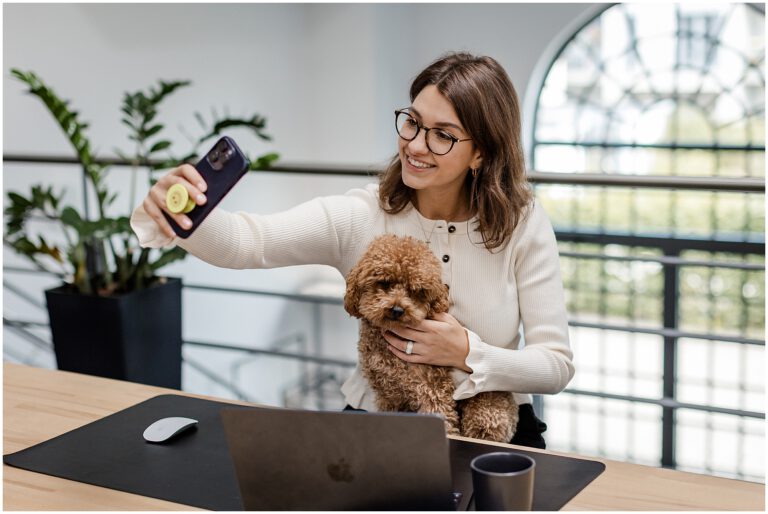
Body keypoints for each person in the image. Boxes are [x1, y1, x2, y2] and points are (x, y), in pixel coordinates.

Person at [131, 52, 574, 449]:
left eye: (443, 135)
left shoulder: (522, 223)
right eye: (413, 122)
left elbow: (555, 366)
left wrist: (466, 353)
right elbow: (248, 243)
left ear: (481, 153)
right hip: (381, 425)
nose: (416, 145)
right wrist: (181, 209)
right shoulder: (361, 214)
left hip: (497, 434)